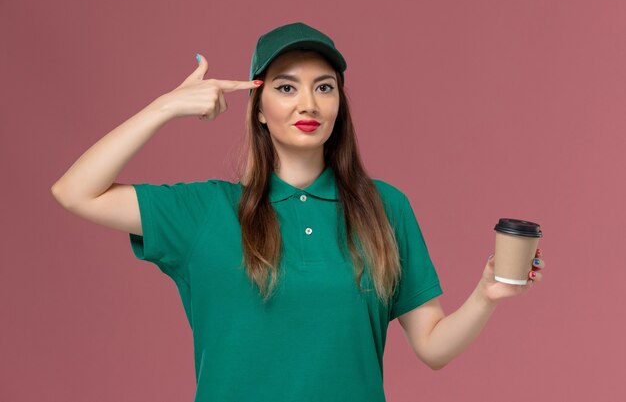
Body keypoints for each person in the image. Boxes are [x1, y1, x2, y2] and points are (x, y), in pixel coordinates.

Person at [51, 22, 546, 402]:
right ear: (259, 107)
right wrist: (165, 107)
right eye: (286, 87)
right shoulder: (205, 211)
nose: (307, 102)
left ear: (339, 105)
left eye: (324, 87)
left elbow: (433, 347)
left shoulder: (384, 208)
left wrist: (486, 294)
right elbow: (75, 191)